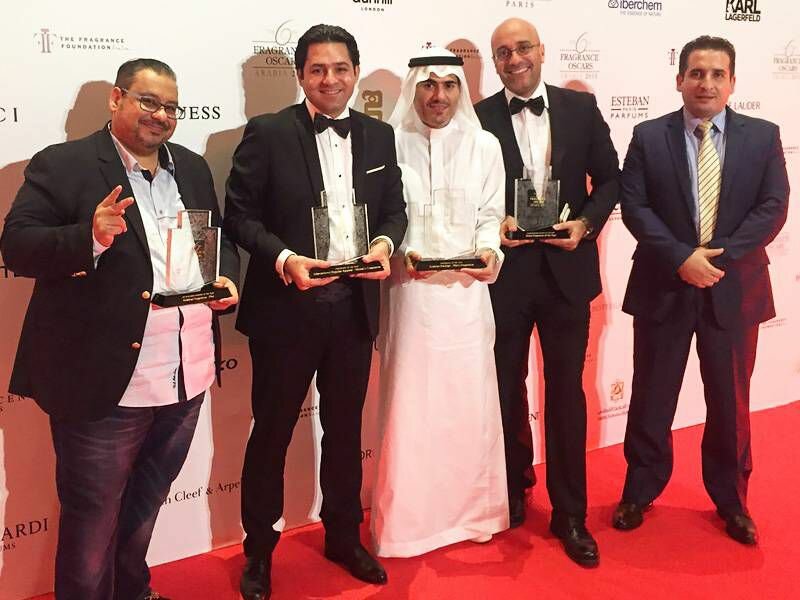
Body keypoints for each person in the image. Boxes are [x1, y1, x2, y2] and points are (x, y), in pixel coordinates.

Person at [0, 58, 239, 600]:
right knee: (91, 522)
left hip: (187, 374)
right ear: (116, 99)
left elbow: (214, 240)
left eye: (171, 107)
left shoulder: (192, 167)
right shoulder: (65, 164)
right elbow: (16, 246)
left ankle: (133, 590)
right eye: (148, 101)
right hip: (107, 384)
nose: (160, 115)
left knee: (144, 507)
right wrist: (87, 235)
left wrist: (223, 278)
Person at [224, 24, 407, 600]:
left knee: (346, 431)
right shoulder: (269, 132)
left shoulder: (379, 135)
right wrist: (284, 258)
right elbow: (239, 216)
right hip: (287, 308)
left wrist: (384, 244)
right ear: (301, 75)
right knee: (272, 433)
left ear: (355, 72)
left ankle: (344, 537)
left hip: (353, 308)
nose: (331, 79)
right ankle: (259, 551)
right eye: (318, 69)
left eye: (340, 68)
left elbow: (395, 209)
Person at [613, 35, 789, 546]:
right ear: (679, 80)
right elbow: (635, 205)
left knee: (730, 404)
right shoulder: (649, 136)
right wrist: (680, 258)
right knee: (652, 396)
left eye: (716, 74)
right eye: (696, 73)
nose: (706, 83)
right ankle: (639, 490)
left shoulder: (763, 136)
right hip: (663, 286)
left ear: (732, 82)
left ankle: (732, 501)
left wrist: (716, 258)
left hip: (733, 288)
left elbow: (773, 206)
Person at [474, 18, 620, 567]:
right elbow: (468, 194)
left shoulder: (580, 108)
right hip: (506, 277)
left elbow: (611, 180)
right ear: (494, 60)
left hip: (566, 273)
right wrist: (493, 224)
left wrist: (584, 225)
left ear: (541, 50)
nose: (514, 59)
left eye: (523, 48)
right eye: (502, 52)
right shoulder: (478, 117)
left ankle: (570, 513)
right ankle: (512, 489)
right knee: (504, 389)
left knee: (565, 393)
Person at [370, 47, 508, 557]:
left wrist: (491, 251)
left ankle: (473, 516)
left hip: (467, 299)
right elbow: (385, 215)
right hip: (410, 297)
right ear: (414, 90)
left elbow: (491, 214)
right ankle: (407, 527)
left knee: (467, 405)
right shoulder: (390, 143)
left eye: (449, 85)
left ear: (461, 90)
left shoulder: (485, 144)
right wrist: (404, 252)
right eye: (428, 85)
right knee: (411, 407)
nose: (439, 96)